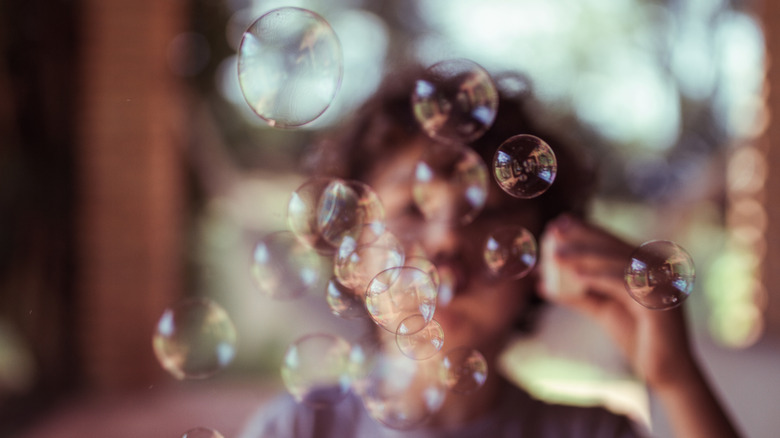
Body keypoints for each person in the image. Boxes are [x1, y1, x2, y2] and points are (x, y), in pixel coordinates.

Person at [239, 66, 741, 437]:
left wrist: (676, 379)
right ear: (352, 254)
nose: (449, 240)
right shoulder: (296, 429)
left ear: (540, 258)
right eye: (413, 210)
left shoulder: (593, 434)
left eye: (489, 214)